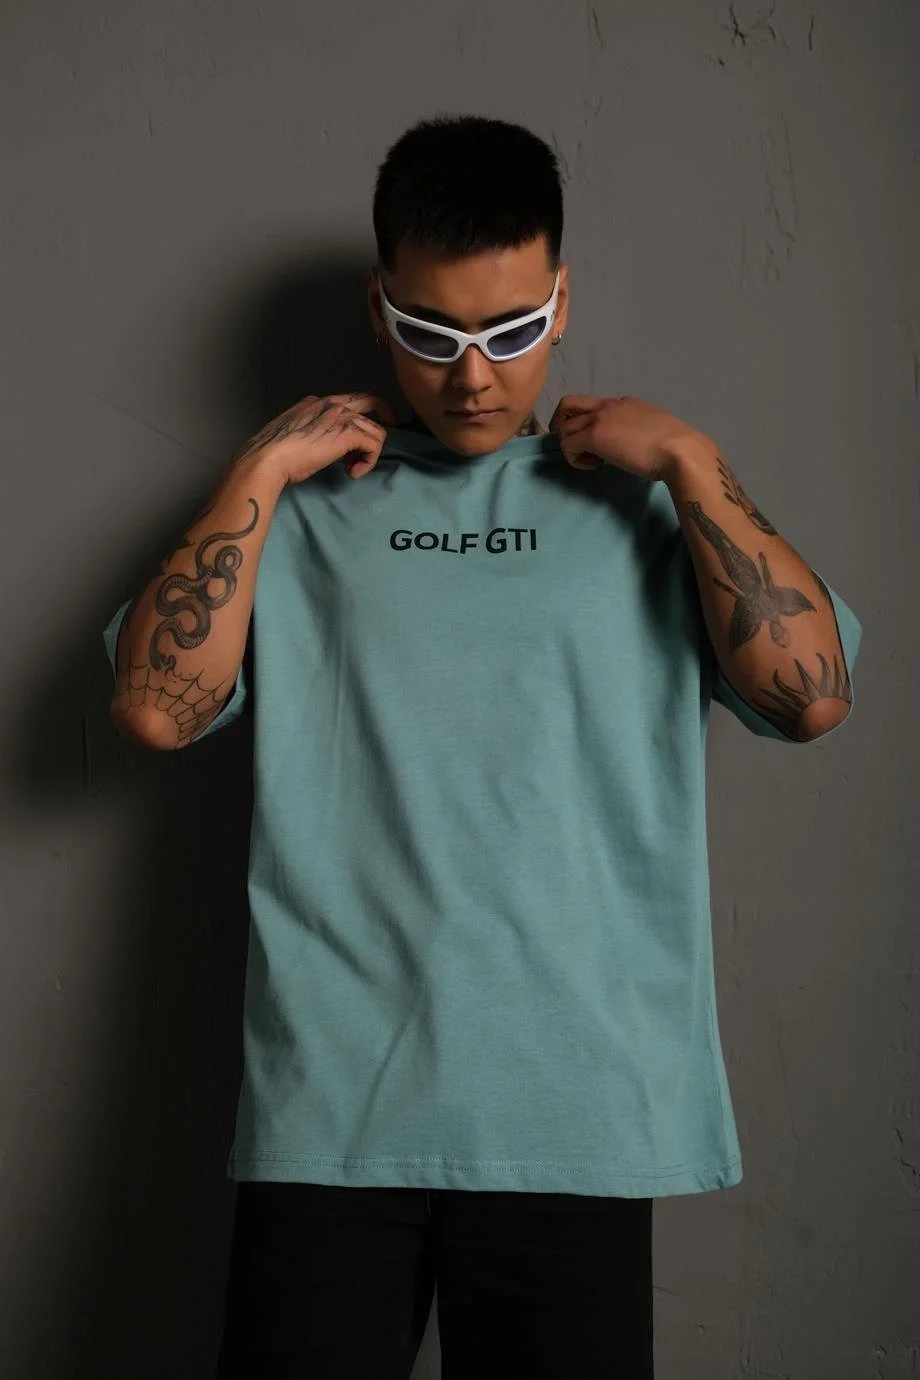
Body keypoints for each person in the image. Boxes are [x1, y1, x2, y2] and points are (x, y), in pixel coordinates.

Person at [102, 113, 863, 1379]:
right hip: (334, 1111)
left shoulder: (645, 505)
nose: (471, 376)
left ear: (561, 302)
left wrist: (690, 462)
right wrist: (257, 472)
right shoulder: (302, 512)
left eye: (510, 332)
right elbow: (153, 708)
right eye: (432, 331)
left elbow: (810, 696)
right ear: (379, 306)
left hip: (576, 1112)